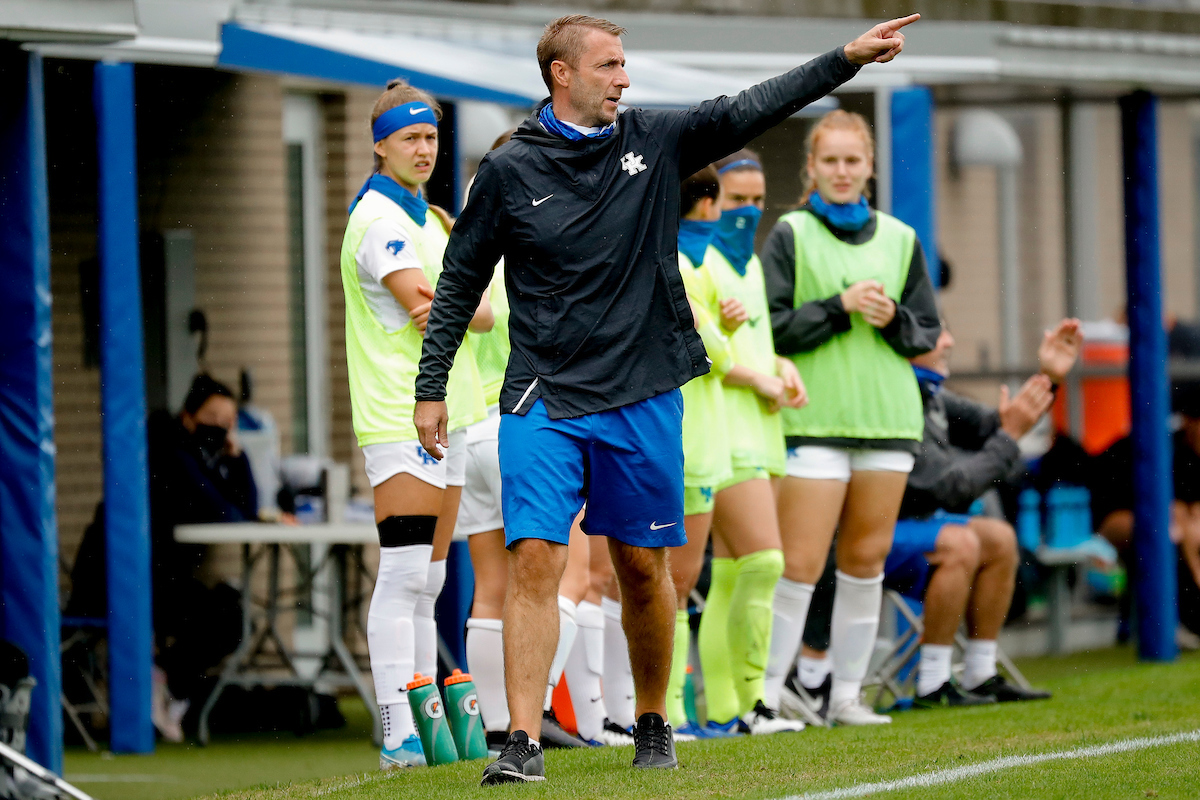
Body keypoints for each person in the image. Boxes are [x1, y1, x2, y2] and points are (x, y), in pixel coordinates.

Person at [414, 13, 920, 783]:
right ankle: (520, 741)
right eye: (611, 65)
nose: (625, 77)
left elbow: (755, 105)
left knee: (646, 571)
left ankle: (652, 717)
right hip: (541, 397)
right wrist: (431, 389)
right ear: (562, 74)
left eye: (625, 64)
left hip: (643, 394)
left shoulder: (655, 139)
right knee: (535, 559)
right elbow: (457, 281)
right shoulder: (512, 170)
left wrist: (844, 61)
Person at [762, 109, 940, 726]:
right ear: (811, 167)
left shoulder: (901, 239)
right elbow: (772, 328)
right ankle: (766, 698)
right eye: (830, 161)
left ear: (870, 168)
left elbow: (927, 335)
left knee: (865, 565)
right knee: (800, 564)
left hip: (889, 421)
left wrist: (894, 319)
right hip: (813, 422)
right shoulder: (789, 233)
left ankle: (846, 697)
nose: (842, 172)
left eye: (853, 161)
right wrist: (838, 306)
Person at [339, 79, 492, 769]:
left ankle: (427, 727)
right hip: (401, 416)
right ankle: (396, 731)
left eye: (431, 136)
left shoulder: (431, 218)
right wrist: (469, 303)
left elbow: (456, 307)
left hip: (452, 410)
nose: (424, 148)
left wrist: (461, 303)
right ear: (379, 145)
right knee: (402, 576)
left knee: (430, 581)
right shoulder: (380, 220)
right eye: (410, 137)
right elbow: (434, 306)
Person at [883, 320, 1076, 707]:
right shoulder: (893, 393)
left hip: (912, 531)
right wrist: (1010, 436)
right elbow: (950, 489)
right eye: (938, 333)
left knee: (1000, 539)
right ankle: (932, 684)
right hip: (863, 540)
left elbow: (998, 425)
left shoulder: (930, 392)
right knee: (962, 542)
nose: (950, 341)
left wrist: (1047, 378)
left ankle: (978, 674)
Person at [689, 153, 807, 737]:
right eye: (737, 200)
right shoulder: (698, 256)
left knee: (737, 572)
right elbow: (707, 349)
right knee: (764, 562)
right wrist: (754, 377)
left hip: (763, 425)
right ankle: (754, 703)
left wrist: (780, 367)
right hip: (723, 427)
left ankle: (731, 709)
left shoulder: (752, 263)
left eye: (758, 201)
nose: (748, 212)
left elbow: (752, 342)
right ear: (711, 201)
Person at [1092, 386, 1200, 649]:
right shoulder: (1153, 450)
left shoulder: (1189, 454)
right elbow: (1170, 512)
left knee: (1181, 528)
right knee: (1167, 532)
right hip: (1126, 520)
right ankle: (1188, 619)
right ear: (1188, 422)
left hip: (1176, 527)